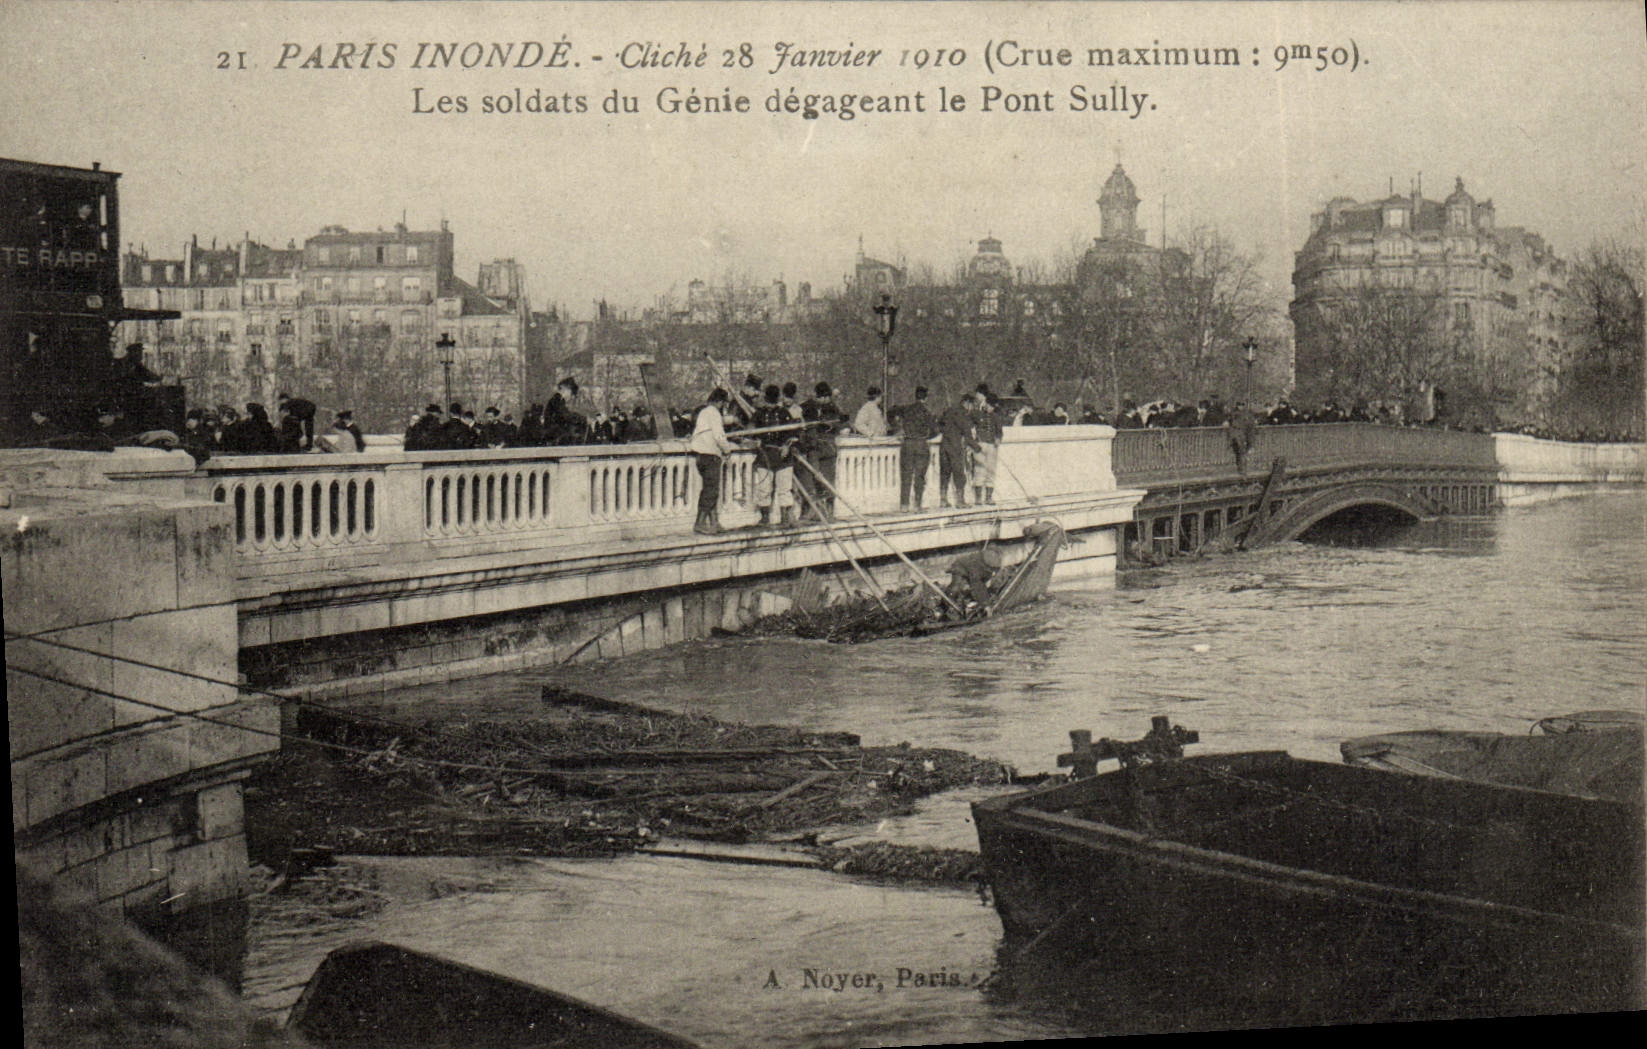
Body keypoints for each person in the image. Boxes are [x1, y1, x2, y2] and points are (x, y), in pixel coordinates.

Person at [690, 388, 737, 535]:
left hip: (700, 455)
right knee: (711, 490)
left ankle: (714, 522)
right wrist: (727, 450)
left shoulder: (704, 412)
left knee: (710, 489)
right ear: (720, 402)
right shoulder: (714, 413)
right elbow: (719, 436)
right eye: (723, 403)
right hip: (710, 455)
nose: (724, 406)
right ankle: (700, 523)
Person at [798, 381, 846, 520]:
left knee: (827, 480)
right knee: (812, 478)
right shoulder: (807, 407)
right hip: (814, 449)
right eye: (822, 397)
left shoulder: (833, 408)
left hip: (828, 449)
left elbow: (842, 424)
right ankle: (812, 510)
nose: (824, 400)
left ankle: (828, 511)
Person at [752, 384, 798, 527]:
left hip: (782, 455)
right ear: (765, 400)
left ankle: (785, 517)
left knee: (784, 487)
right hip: (765, 455)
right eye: (768, 401)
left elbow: (793, 434)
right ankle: (765, 517)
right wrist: (755, 439)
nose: (770, 405)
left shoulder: (784, 413)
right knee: (764, 487)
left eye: (773, 402)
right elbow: (750, 430)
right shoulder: (759, 414)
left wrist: (787, 446)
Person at [889, 385, 936, 512]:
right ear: (925, 398)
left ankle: (904, 505)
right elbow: (935, 431)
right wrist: (926, 436)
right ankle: (917, 505)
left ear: (915, 396)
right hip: (921, 444)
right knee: (919, 476)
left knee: (906, 475)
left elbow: (890, 411)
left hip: (907, 444)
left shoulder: (906, 409)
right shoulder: (927, 412)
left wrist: (897, 428)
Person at [938, 391, 979, 508]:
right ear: (967, 403)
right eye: (972, 405)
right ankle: (960, 501)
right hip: (955, 448)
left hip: (944, 446)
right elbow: (968, 435)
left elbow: (939, 425)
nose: (972, 409)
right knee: (959, 474)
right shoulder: (963, 414)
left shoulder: (949, 411)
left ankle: (943, 499)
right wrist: (978, 448)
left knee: (944, 473)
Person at [947, 541, 1005, 610]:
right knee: (955, 588)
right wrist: (986, 604)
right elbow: (977, 585)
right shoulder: (976, 567)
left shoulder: (994, 561)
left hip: (975, 571)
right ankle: (945, 605)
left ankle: (971, 601)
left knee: (980, 589)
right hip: (960, 567)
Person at [972, 394, 1003, 505]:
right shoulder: (977, 414)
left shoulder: (996, 417)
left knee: (991, 471)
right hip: (980, 445)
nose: (989, 408)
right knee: (979, 470)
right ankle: (978, 498)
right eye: (988, 405)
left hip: (991, 446)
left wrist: (998, 439)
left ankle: (988, 497)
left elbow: (999, 431)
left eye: (992, 406)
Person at [1229, 401, 1258, 474]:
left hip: (1243, 437)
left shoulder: (1246, 415)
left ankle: (1242, 469)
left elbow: (1250, 428)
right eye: (1239, 405)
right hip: (1237, 437)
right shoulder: (1234, 414)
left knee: (1242, 452)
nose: (1240, 407)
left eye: (1242, 405)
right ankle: (1240, 468)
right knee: (1239, 453)